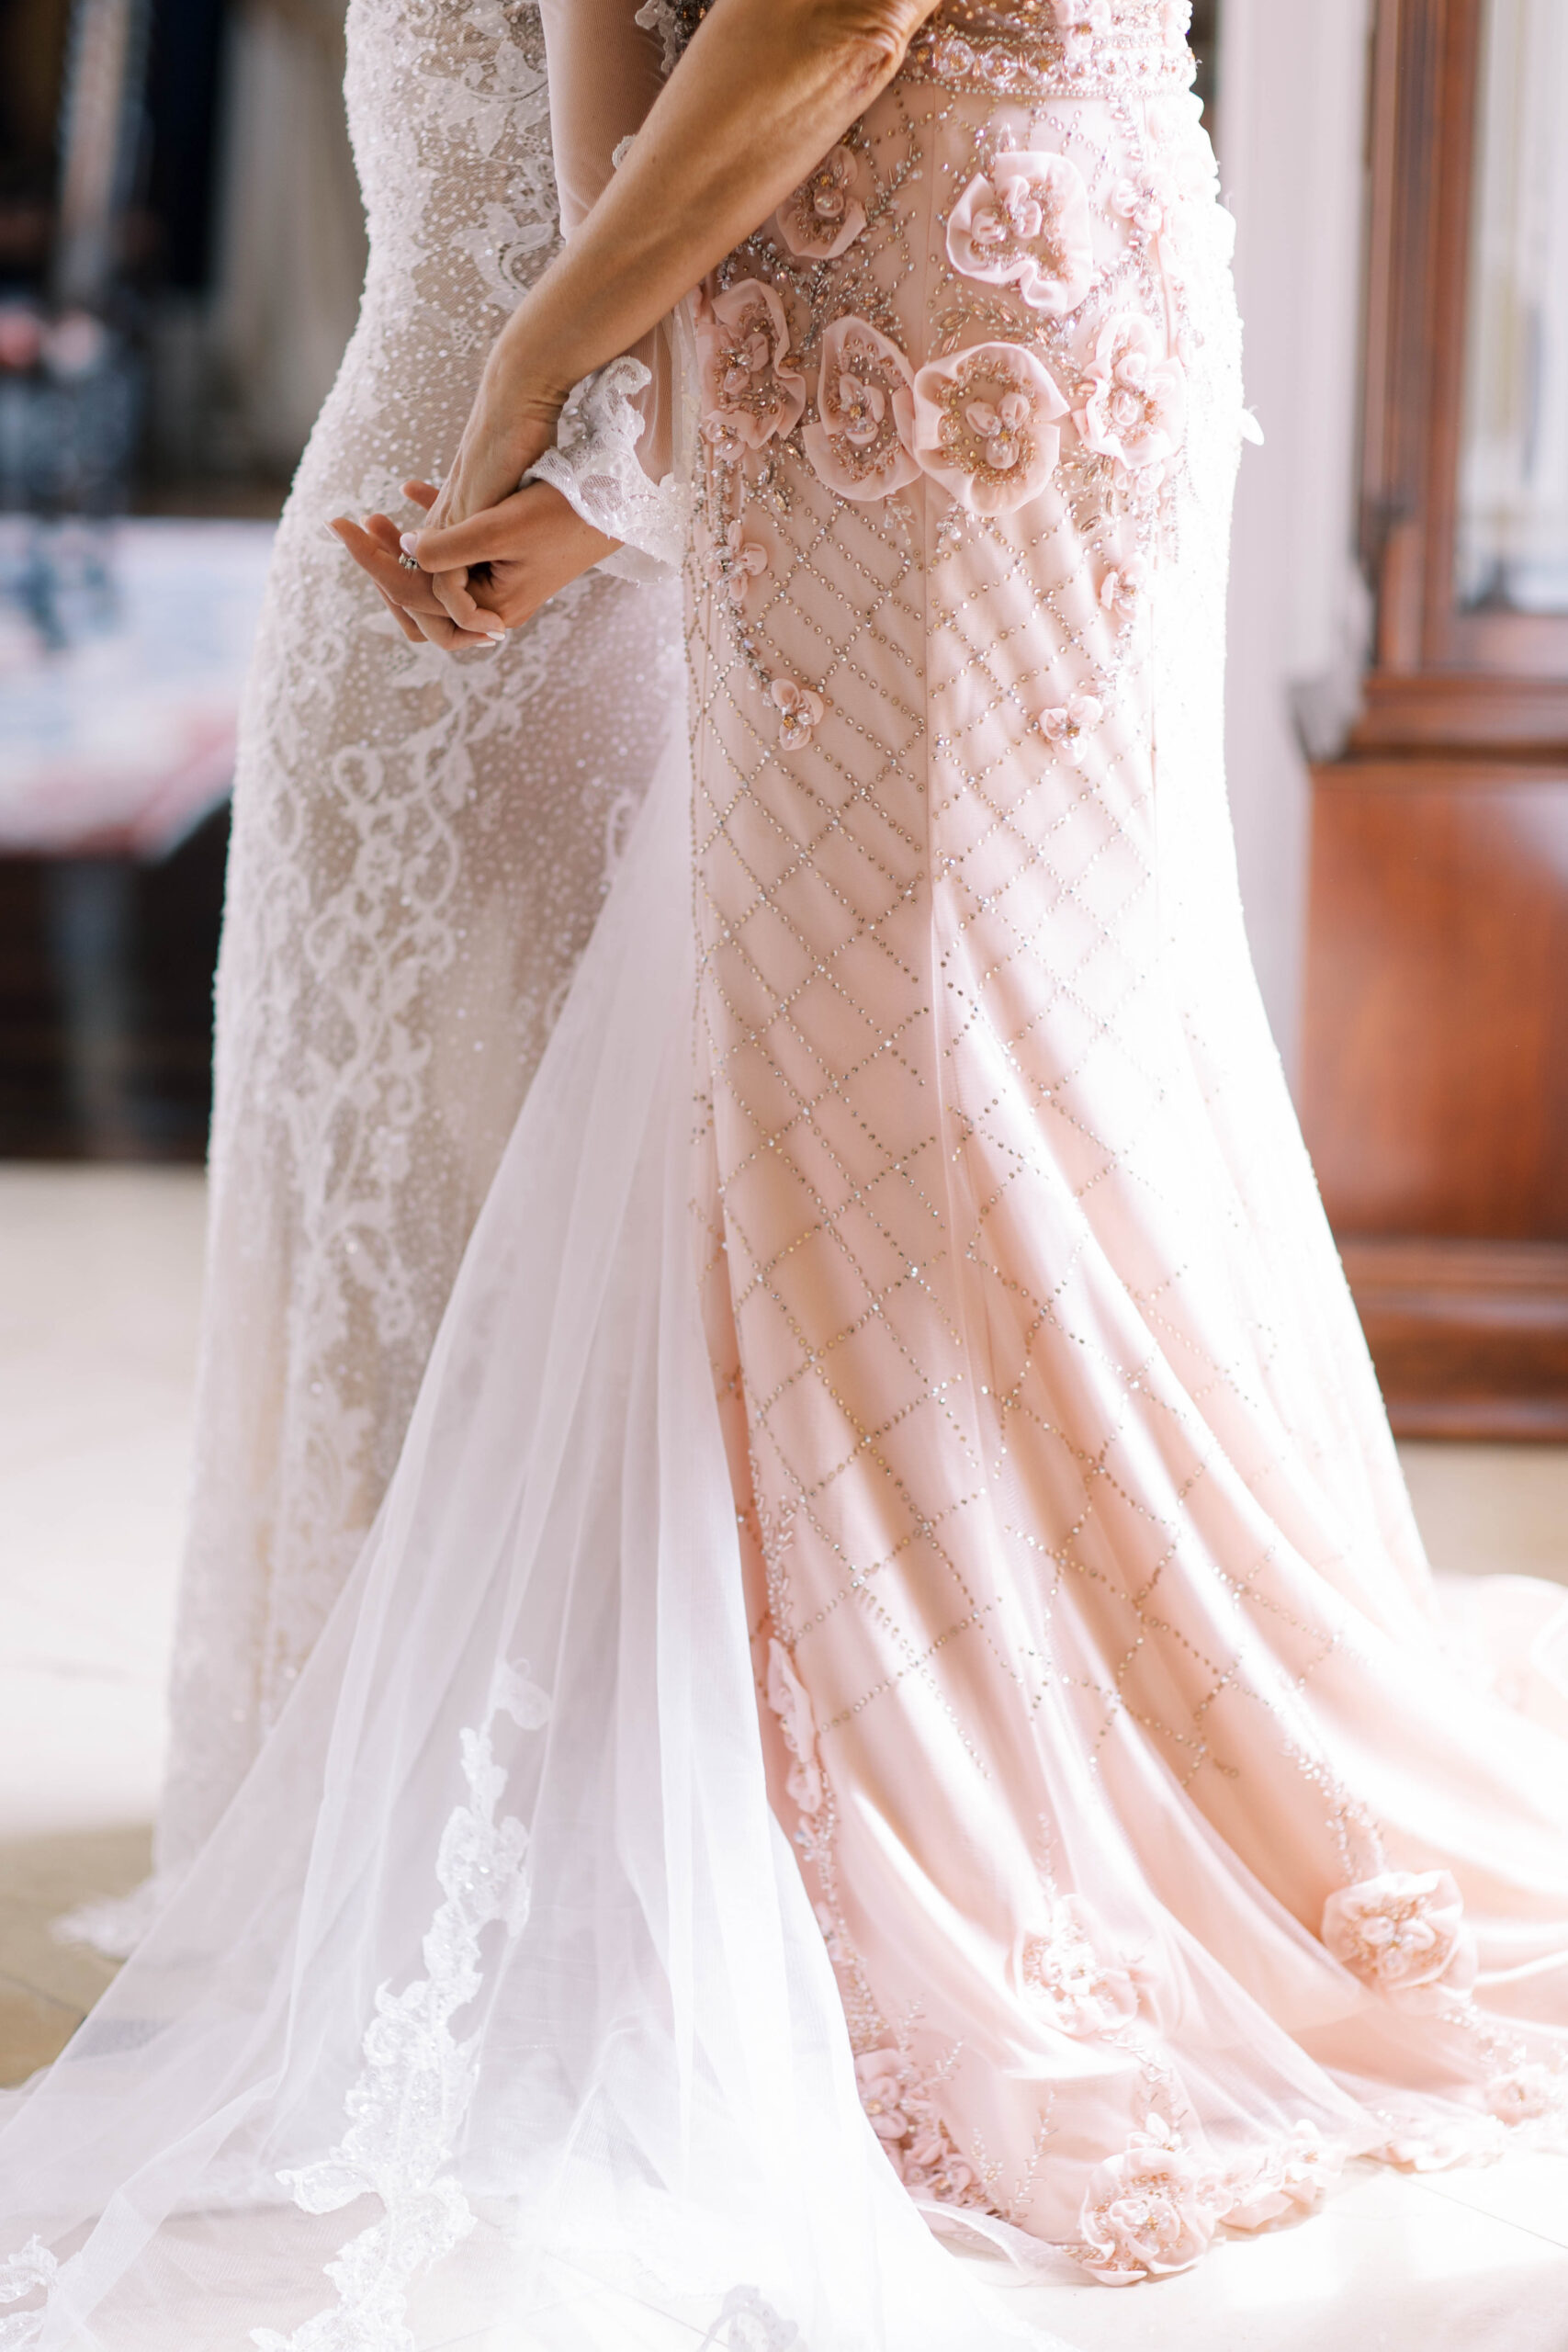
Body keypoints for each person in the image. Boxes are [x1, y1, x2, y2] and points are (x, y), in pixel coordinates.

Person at [6, 0, 1568, 2342]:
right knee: (891, 1087)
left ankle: (1001, 1828)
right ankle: (880, 1750)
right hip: (863, 305)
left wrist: (542, 357)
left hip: (936, 326)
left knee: (939, 1080)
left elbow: (827, 18)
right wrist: (622, 410)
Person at [62, 0, 684, 1957]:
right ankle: (427, 1788)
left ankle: (452, 1792)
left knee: (481, 1192)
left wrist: (602, 502)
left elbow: (622, 247)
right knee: (441, 1194)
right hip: (459, 544)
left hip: (488, 548)